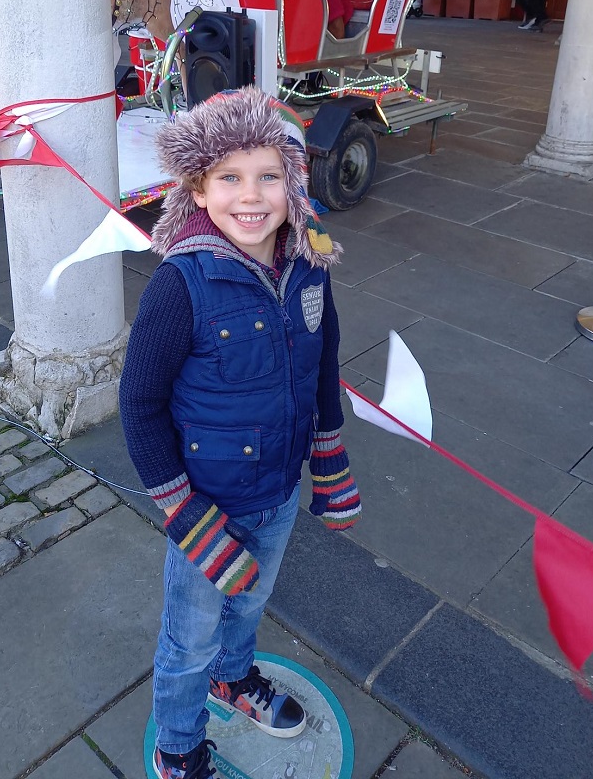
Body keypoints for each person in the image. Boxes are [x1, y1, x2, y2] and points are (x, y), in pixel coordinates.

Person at [120, 87, 360, 779]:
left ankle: (236, 678)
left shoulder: (311, 265)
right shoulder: (180, 285)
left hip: (278, 492)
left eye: (269, 175)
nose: (250, 197)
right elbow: (138, 405)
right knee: (188, 639)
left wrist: (330, 461)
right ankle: (179, 745)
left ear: (294, 182)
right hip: (206, 504)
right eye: (229, 177)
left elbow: (322, 364)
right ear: (197, 188)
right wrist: (185, 513)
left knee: (250, 603)